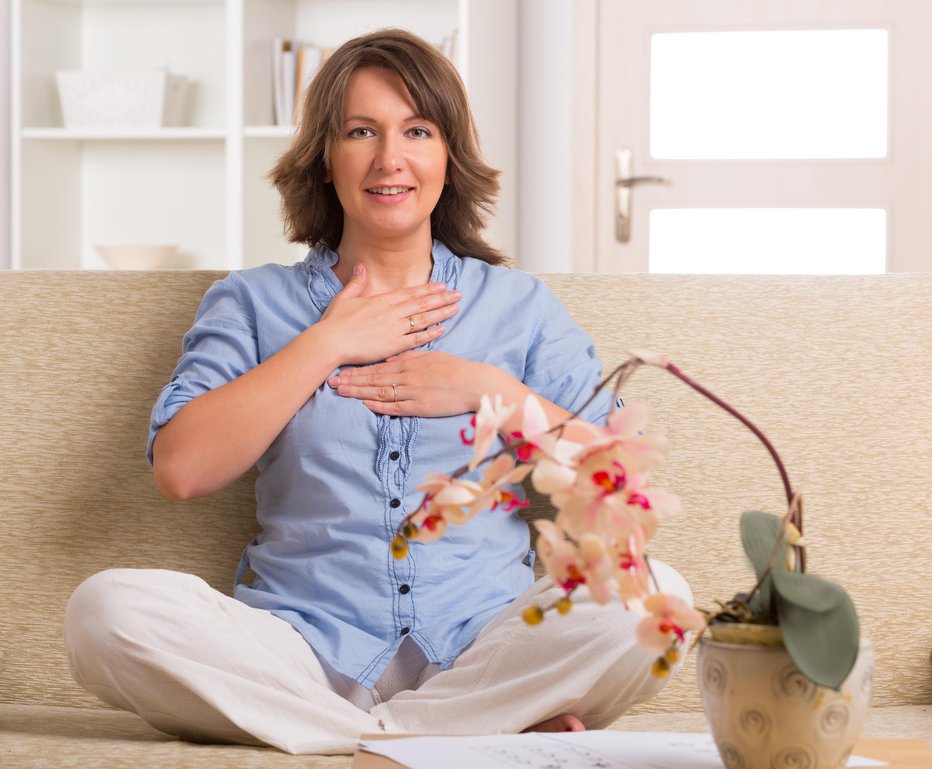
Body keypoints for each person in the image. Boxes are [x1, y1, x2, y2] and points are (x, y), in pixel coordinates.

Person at [63, 29, 692, 755]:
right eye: (361, 131)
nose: (390, 158)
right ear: (325, 160)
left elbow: (618, 478)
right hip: (300, 652)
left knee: (658, 596)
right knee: (103, 610)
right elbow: (181, 468)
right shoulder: (252, 302)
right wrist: (326, 341)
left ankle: (377, 731)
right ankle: (461, 732)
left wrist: (487, 389)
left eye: (416, 131)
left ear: (447, 157)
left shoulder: (519, 307)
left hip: (486, 644)